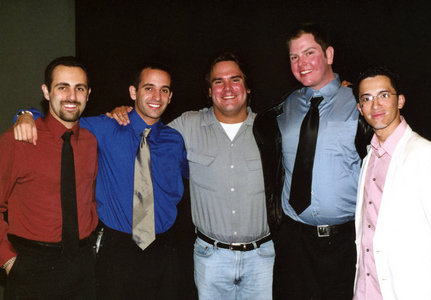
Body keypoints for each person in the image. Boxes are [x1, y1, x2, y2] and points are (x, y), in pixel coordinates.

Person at [253, 23, 431, 300]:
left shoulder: (360, 104)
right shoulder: (281, 110)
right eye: (294, 57)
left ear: (329, 54)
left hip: (346, 244)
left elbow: (398, 139)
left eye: (310, 53)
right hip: (294, 242)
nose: (302, 63)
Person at [13, 63, 189, 299]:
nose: (157, 96)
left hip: (165, 249)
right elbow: (58, 120)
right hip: (117, 250)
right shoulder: (104, 127)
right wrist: (25, 116)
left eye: (164, 90)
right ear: (133, 92)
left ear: (170, 96)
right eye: (149, 88)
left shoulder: (175, 140)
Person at [108, 52, 274, 300]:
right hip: (210, 258)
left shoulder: (271, 129)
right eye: (218, 81)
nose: (227, 88)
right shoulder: (187, 125)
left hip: (261, 258)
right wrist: (123, 113)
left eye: (235, 80)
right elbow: (147, 130)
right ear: (209, 91)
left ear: (248, 88)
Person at [0, 56, 98, 299]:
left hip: (83, 266)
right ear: (46, 91)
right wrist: (8, 259)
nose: (71, 97)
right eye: (62, 87)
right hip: (31, 267)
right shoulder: (18, 140)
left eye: (79, 89)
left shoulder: (91, 141)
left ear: (88, 94)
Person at [352, 66, 431, 299]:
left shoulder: (424, 153)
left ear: (400, 101)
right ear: (360, 108)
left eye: (384, 95)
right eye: (367, 98)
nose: (375, 105)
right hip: (368, 290)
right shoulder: (368, 159)